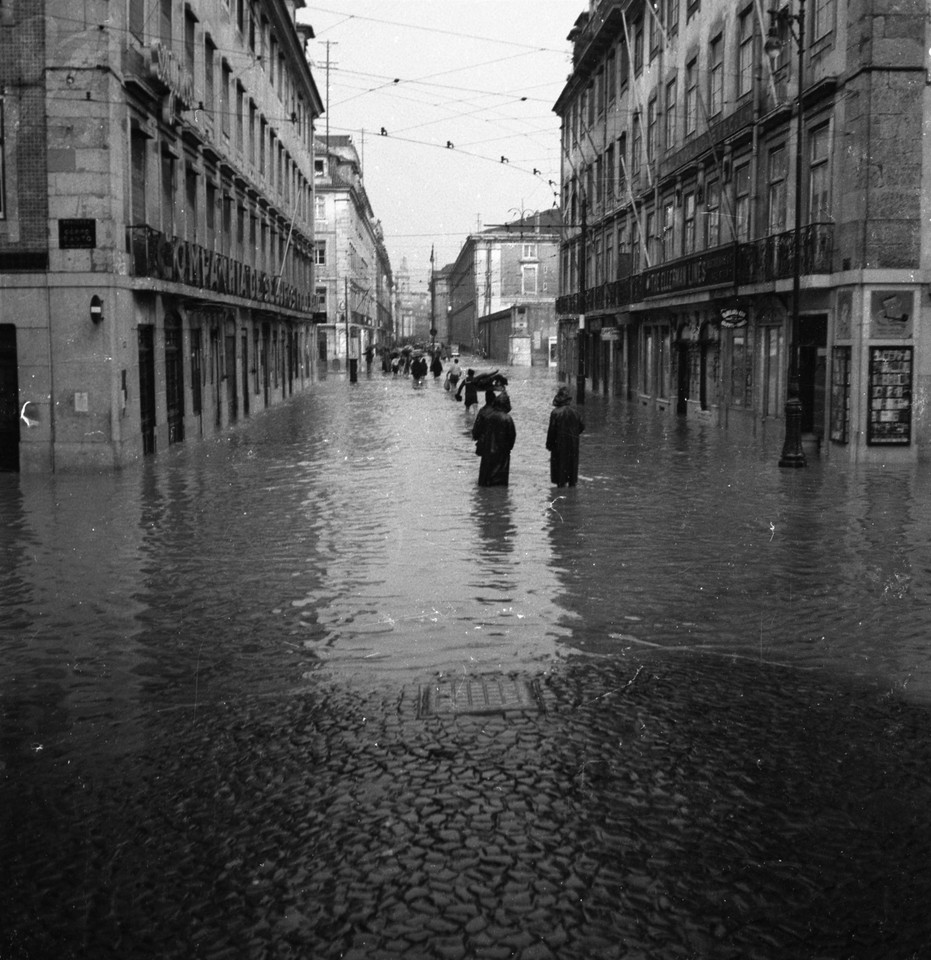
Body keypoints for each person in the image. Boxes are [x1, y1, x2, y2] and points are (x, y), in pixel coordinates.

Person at [472, 395, 516, 487]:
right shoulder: (507, 418)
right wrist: (507, 448)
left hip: (488, 453)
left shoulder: (488, 416)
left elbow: (479, 432)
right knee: (500, 484)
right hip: (502, 454)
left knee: (486, 481)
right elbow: (512, 437)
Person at [546, 386, 585, 487]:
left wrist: (549, 445)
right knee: (572, 473)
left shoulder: (555, 413)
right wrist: (573, 435)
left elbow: (551, 432)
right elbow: (582, 427)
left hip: (559, 446)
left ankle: (561, 494)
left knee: (560, 474)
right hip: (573, 446)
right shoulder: (575, 412)